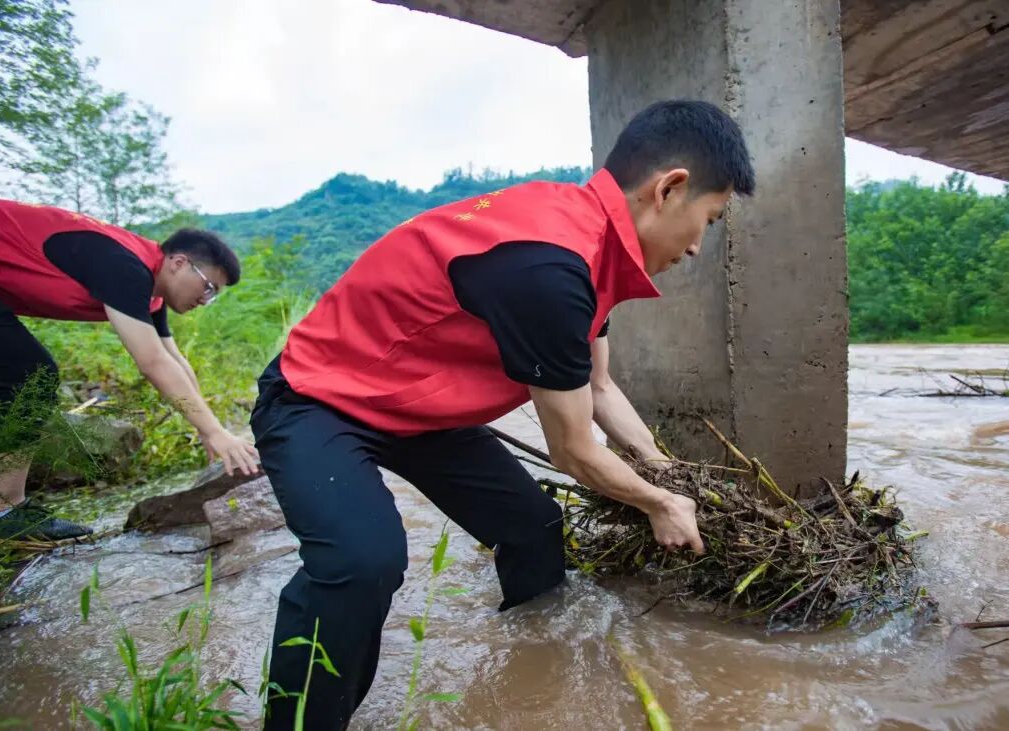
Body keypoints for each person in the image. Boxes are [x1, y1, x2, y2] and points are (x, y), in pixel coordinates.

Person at [251, 99, 755, 729]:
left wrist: (660, 466)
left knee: (534, 528)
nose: (697, 248)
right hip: (319, 399)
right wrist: (656, 504)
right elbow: (573, 450)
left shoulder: (591, 251)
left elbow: (598, 388)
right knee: (363, 559)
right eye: (708, 220)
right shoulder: (548, 263)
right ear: (670, 189)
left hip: (421, 415)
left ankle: (533, 669)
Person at [0, 202, 259, 540]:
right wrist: (215, 431)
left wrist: (211, 429)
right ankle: (3, 512)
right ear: (179, 263)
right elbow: (151, 362)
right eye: (208, 287)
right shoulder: (125, 266)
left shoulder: (152, 292)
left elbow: (173, 360)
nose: (206, 300)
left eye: (214, 296)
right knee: (29, 372)